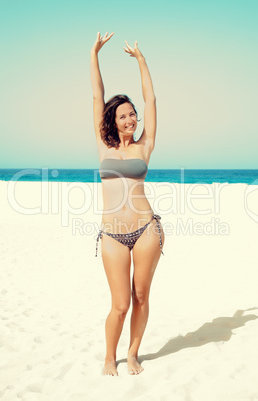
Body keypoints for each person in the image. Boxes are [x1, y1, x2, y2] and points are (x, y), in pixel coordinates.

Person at [90, 31, 165, 376]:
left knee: (141, 297)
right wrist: (94, 53)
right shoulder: (104, 146)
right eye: (123, 115)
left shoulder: (144, 146)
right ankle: (110, 357)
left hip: (146, 229)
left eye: (132, 114)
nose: (131, 119)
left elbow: (152, 101)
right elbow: (96, 95)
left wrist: (141, 60)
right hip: (112, 234)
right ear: (113, 120)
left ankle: (133, 354)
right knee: (119, 305)